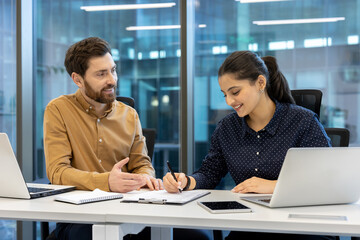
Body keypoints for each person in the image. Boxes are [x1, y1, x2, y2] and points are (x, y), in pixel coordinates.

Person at [163, 51, 335, 240]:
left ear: (261, 83)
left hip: (300, 227)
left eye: (235, 92)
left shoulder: (302, 121)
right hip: (249, 225)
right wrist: (186, 181)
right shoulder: (227, 127)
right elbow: (210, 173)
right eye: (224, 95)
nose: (229, 101)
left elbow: (326, 180)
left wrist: (274, 186)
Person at [44, 37, 163, 240]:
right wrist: (106, 181)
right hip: (79, 217)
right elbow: (57, 172)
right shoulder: (58, 110)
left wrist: (144, 177)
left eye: (113, 70)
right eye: (101, 74)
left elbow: (141, 164)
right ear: (78, 79)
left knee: (194, 237)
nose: (112, 80)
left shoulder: (129, 114)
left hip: (128, 211)